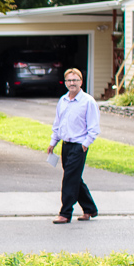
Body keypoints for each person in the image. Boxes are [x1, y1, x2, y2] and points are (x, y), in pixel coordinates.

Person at [47, 68, 100, 224]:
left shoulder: (88, 101)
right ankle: (90, 209)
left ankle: (65, 213)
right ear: (65, 83)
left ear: (81, 82)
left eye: (75, 80)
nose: (72, 83)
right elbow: (58, 124)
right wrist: (53, 142)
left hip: (79, 146)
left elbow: (94, 128)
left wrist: (85, 144)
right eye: (69, 80)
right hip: (66, 145)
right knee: (74, 178)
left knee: (69, 179)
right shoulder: (63, 101)